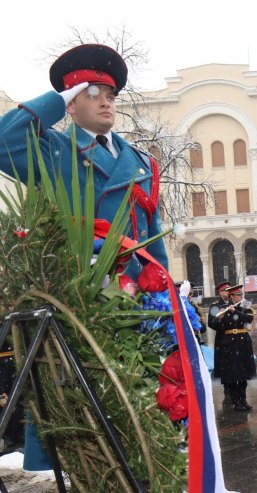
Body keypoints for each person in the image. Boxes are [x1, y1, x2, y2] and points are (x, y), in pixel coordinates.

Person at [0, 44, 167, 279]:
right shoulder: (55, 150)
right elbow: (4, 139)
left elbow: (153, 238)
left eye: (110, 96)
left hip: (136, 299)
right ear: (70, 105)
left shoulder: (142, 163)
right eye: (92, 95)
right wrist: (57, 101)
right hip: (80, 297)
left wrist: (163, 292)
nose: (105, 102)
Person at [212, 285, 256, 411]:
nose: (241, 297)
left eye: (241, 294)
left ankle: (243, 399)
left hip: (243, 342)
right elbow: (215, 324)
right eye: (238, 295)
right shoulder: (222, 308)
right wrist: (221, 317)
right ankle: (236, 401)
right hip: (230, 344)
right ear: (231, 296)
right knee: (233, 374)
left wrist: (235, 311)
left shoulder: (244, 306)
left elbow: (248, 318)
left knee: (243, 373)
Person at [208, 281, 231, 379]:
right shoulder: (215, 306)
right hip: (223, 339)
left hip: (235, 338)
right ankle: (227, 390)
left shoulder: (234, 303)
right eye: (225, 290)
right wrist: (219, 318)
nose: (227, 292)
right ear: (220, 292)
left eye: (228, 290)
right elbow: (211, 323)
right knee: (224, 367)